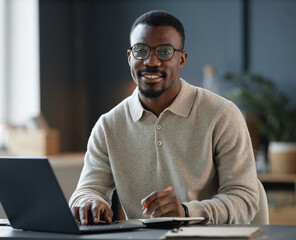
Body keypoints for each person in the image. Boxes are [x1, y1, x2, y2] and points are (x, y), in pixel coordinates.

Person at [69, 10, 259, 225]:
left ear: (182, 59)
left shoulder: (222, 114)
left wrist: (187, 212)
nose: (151, 61)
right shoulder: (108, 125)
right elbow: (86, 190)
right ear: (130, 57)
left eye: (164, 51)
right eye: (141, 50)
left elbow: (245, 199)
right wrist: (89, 202)